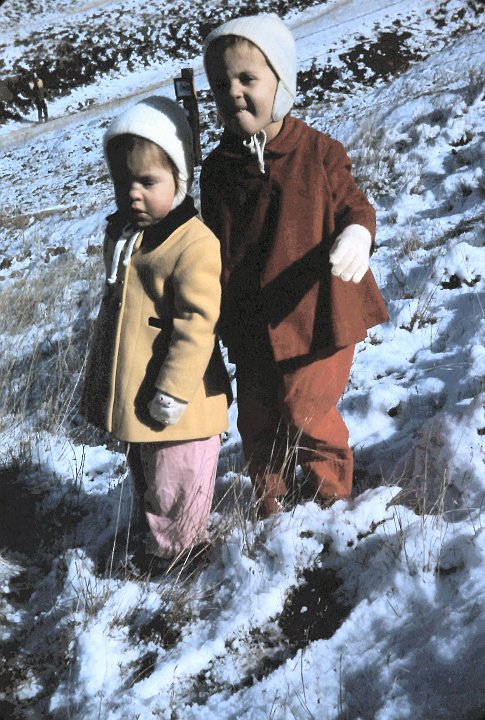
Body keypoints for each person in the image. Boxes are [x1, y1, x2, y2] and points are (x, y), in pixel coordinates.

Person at [200, 14, 389, 518]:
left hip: (318, 314)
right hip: (253, 320)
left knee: (305, 408)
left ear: (281, 82)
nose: (234, 93)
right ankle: (270, 499)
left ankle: (332, 495)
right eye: (221, 84)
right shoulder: (218, 170)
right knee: (258, 416)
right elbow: (210, 244)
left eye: (248, 79)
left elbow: (356, 205)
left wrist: (358, 234)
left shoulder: (317, 151)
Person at [82, 96, 231, 568]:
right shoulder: (128, 235)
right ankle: (160, 538)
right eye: (123, 182)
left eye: (148, 182)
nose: (133, 194)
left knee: (177, 478)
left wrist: (172, 389)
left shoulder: (193, 243)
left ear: (180, 180)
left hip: (181, 401)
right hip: (140, 392)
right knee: (148, 472)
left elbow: (197, 326)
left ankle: (181, 554)